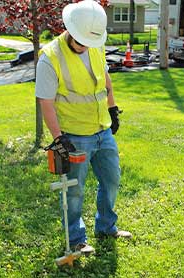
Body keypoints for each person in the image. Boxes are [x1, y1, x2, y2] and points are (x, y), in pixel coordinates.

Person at [35, 0, 132, 254]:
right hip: (75, 136)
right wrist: (58, 139)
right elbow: (45, 102)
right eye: (81, 43)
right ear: (69, 30)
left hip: (103, 130)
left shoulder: (95, 44)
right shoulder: (50, 57)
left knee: (112, 180)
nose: (86, 47)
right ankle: (77, 238)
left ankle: (106, 226)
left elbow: (105, 79)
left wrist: (112, 108)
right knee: (74, 191)